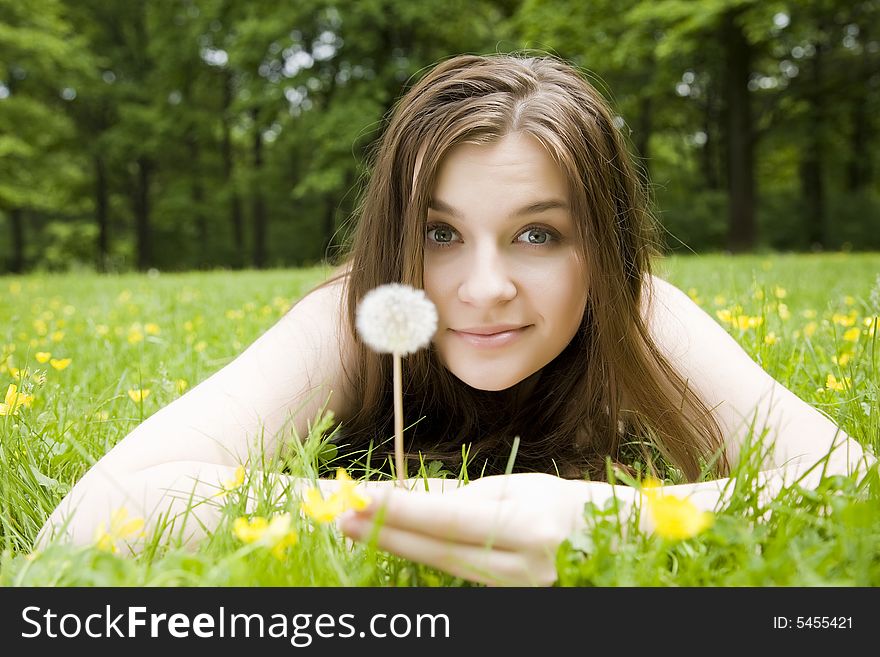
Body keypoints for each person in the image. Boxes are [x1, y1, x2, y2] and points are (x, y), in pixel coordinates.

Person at [37, 52, 873, 586]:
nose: (482, 287)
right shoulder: (350, 319)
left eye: (537, 234)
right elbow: (84, 518)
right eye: (441, 233)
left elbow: (854, 486)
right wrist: (424, 517)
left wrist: (586, 518)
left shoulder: (642, 312)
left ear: (605, 249)